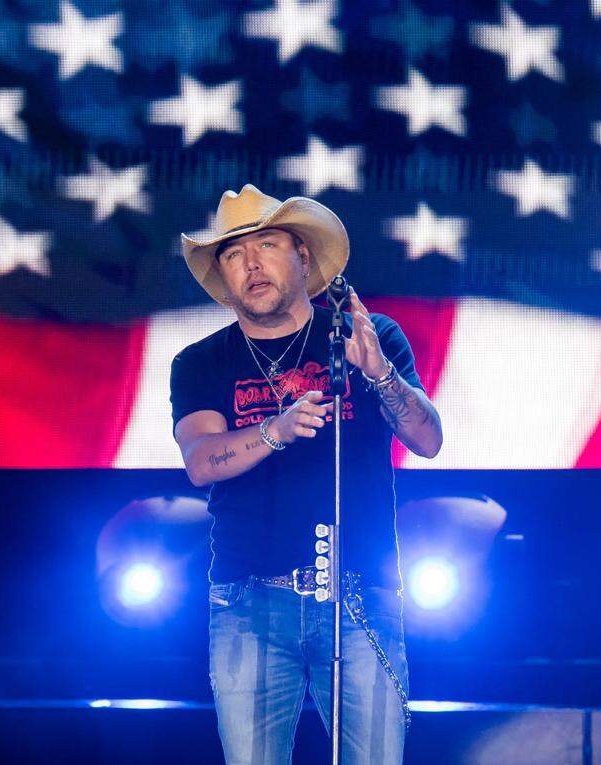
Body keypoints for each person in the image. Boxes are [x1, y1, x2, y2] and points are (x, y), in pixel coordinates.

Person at [170, 184, 443, 764]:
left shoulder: (368, 338)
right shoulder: (200, 362)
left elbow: (428, 440)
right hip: (248, 604)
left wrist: (381, 376)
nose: (251, 265)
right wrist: (276, 430)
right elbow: (200, 461)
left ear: (302, 255)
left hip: (360, 594)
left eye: (266, 245)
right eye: (233, 254)